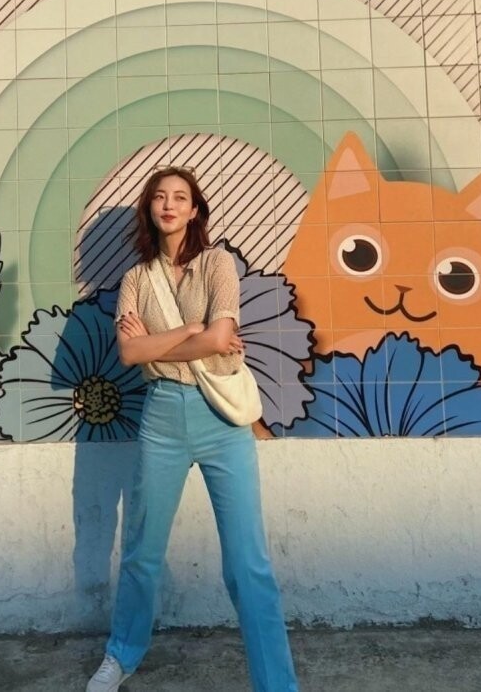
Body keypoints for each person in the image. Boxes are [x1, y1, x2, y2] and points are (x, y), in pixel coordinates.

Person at [86, 166, 299, 692]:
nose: (169, 205)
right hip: (162, 416)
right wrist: (190, 330)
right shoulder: (137, 279)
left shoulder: (216, 263)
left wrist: (162, 344)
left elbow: (220, 338)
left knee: (248, 564)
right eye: (159, 197)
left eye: (180, 197)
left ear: (195, 209)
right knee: (142, 551)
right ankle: (121, 655)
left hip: (222, 420)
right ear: (149, 209)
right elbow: (129, 353)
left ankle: (276, 684)